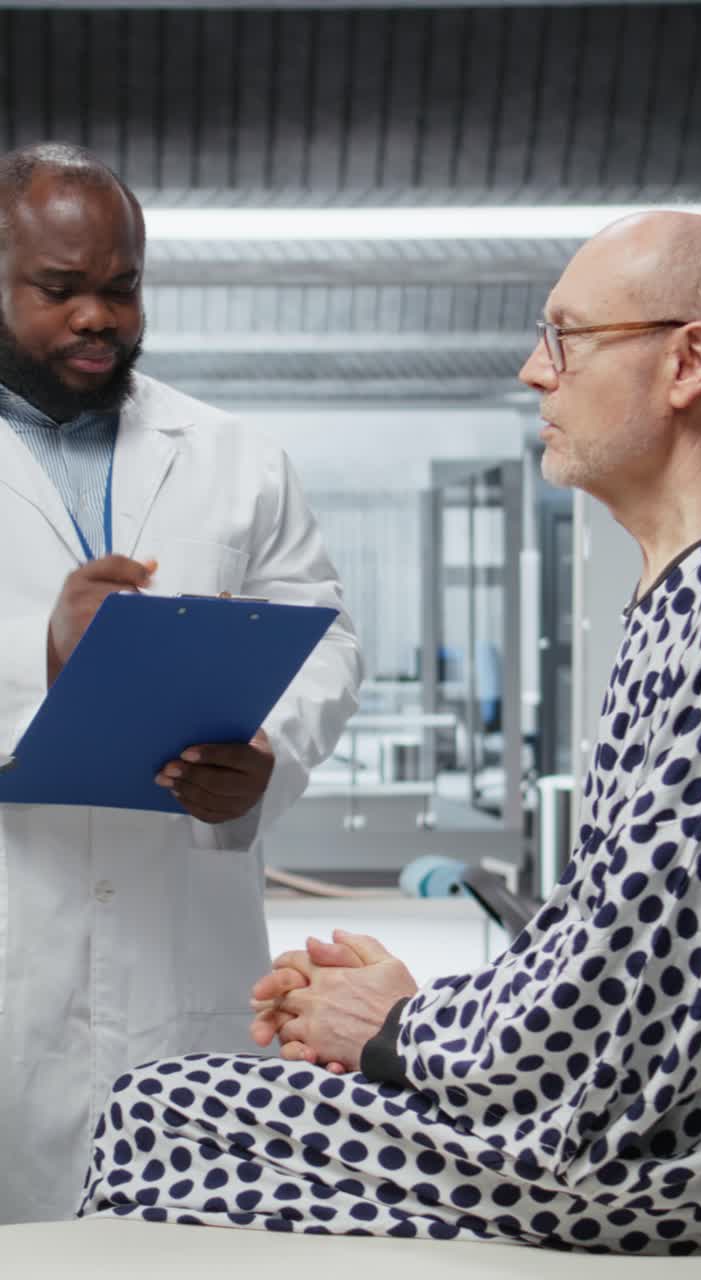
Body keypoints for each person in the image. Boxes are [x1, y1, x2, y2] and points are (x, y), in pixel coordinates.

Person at [81, 209, 701, 1254]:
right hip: (611, 1115)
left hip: (647, 1163)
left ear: (689, 361)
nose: (532, 370)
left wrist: (398, 1031)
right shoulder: (672, 601)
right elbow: (619, 938)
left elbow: (625, 986)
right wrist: (415, 1008)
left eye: (567, 336)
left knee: (157, 1116)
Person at [0, 142, 361, 1225]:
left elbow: (328, 638)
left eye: (121, 287)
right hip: (19, 946)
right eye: (60, 290)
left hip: (183, 956)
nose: (97, 316)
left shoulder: (233, 456)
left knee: (185, 1240)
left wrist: (267, 761)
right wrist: (40, 652)